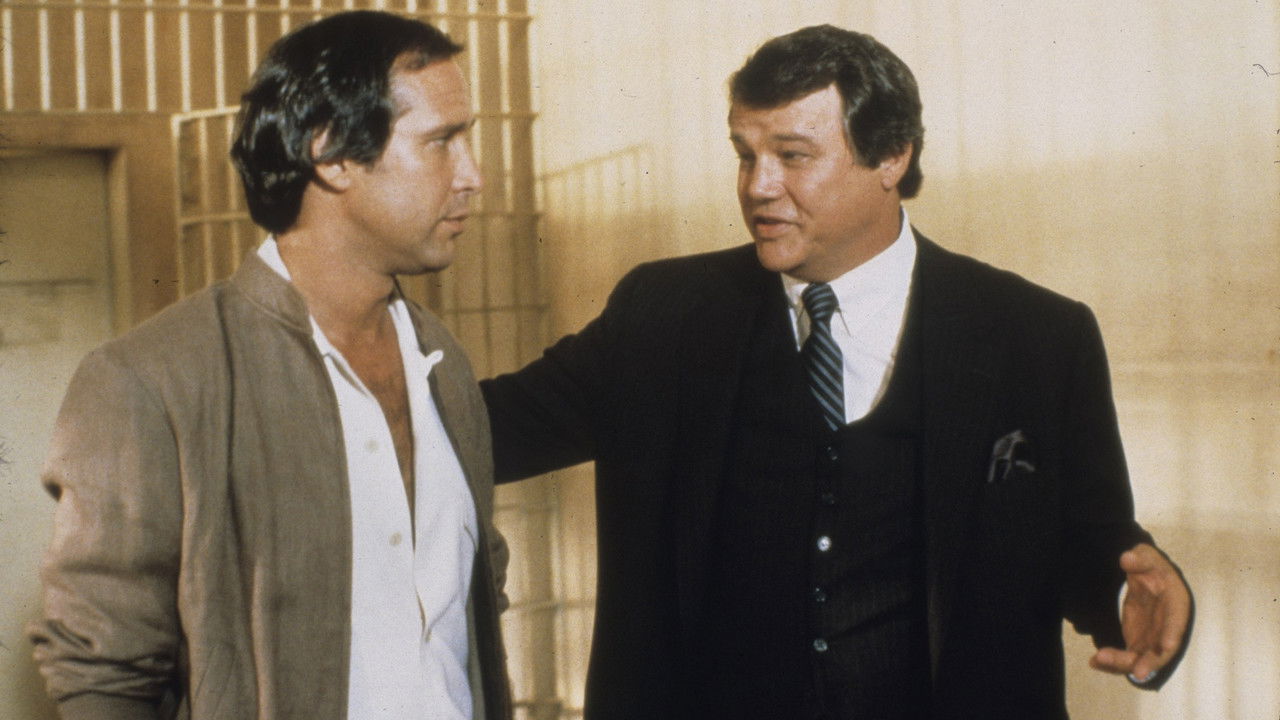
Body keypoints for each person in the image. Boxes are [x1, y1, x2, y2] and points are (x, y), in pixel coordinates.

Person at [481, 24, 1191, 720]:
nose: (758, 186)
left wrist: (1134, 597)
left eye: (793, 156)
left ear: (891, 157)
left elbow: (1089, 537)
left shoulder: (1037, 336)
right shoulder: (662, 316)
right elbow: (483, 430)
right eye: (745, 155)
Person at [29, 11, 511, 720]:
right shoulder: (152, 380)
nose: (473, 176)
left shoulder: (442, 363)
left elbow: (469, 614)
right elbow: (103, 674)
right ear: (331, 152)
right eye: (442, 141)